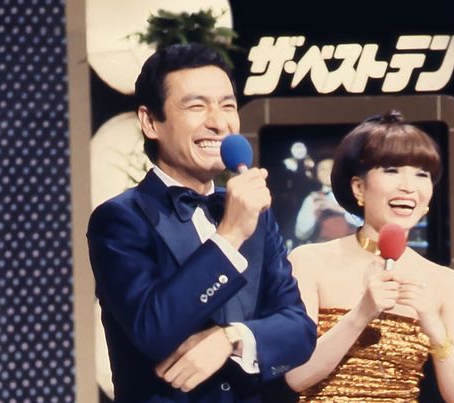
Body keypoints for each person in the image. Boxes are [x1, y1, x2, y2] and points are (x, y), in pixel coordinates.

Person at [87, 43, 316, 403]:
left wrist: (232, 338)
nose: (219, 122)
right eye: (197, 106)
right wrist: (230, 235)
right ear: (150, 122)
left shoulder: (254, 213)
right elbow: (153, 329)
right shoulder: (120, 219)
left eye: (227, 105)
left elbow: (299, 329)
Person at [285, 111, 454, 402]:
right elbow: (297, 375)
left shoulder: (444, 281)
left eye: (422, 174)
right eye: (392, 170)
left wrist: (433, 326)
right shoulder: (309, 261)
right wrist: (362, 313)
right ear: (359, 187)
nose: (409, 186)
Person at [294, 157, 361, 244]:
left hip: (353, 247)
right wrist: (313, 213)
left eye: (331, 168)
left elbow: (365, 225)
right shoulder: (312, 199)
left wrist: (339, 209)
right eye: (322, 169)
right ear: (317, 175)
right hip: (325, 249)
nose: (327, 172)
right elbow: (300, 234)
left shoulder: (355, 194)